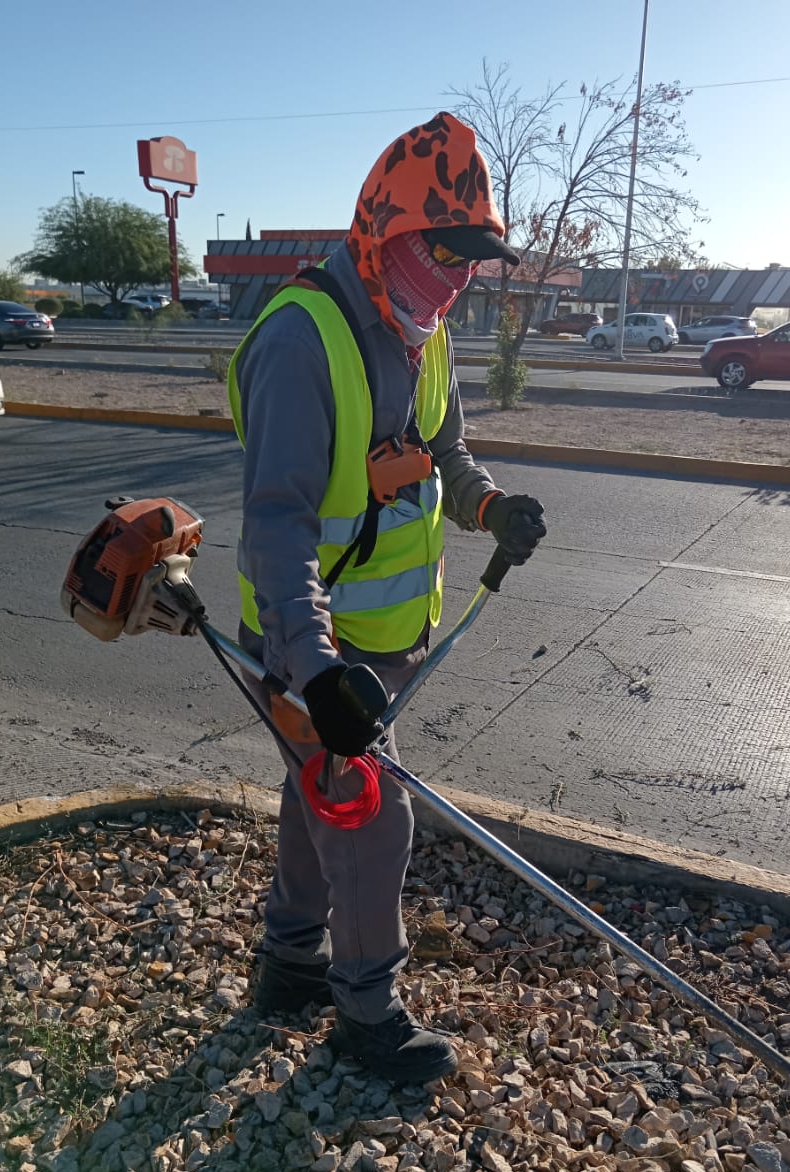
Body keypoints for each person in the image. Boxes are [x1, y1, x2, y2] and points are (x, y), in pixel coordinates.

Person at [227, 112, 547, 1085]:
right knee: (373, 813)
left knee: (316, 799)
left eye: (471, 259)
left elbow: (444, 450)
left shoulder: (424, 332)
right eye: (442, 252)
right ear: (383, 231)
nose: (455, 277)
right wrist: (316, 671)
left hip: (385, 638)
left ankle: (289, 966)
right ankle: (366, 1014)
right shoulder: (302, 340)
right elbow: (278, 526)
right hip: (307, 642)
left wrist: (490, 506)